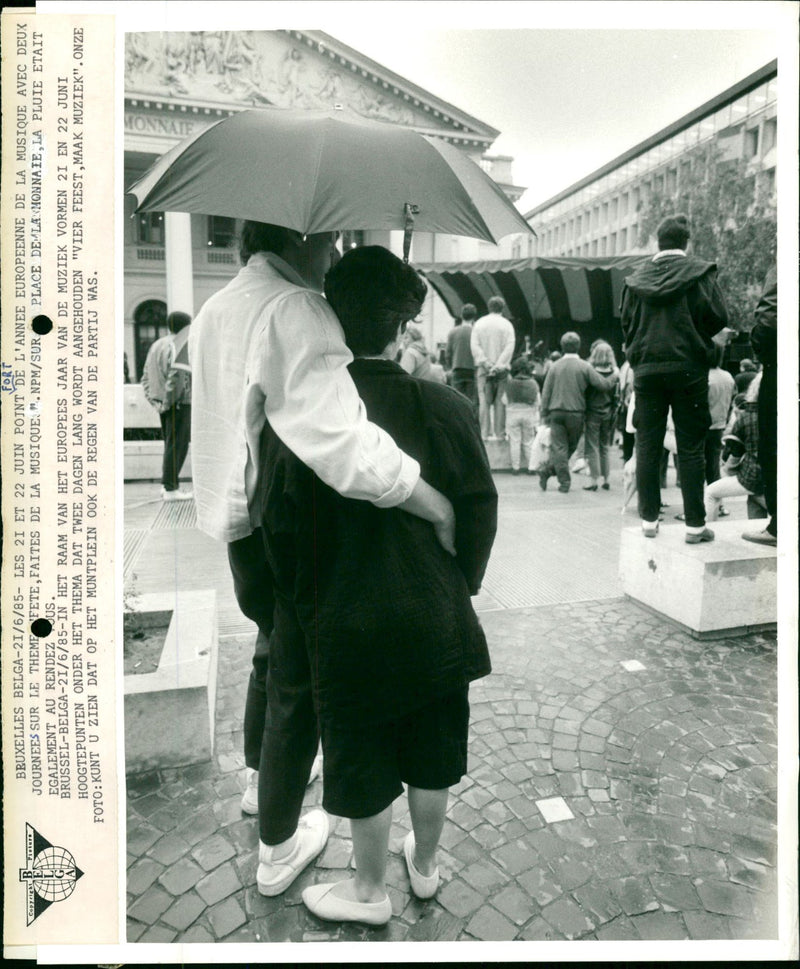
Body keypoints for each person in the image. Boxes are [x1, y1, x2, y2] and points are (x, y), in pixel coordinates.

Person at [188, 222, 456, 898]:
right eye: (330, 240)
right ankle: (277, 845)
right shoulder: (296, 308)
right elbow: (346, 446)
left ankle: (260, 784)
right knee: (297, 687)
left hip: (235, 520)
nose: (334, 254)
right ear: (300, 238)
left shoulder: (217, 305)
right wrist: (432, 503)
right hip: (280, 524)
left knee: (270, 653)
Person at [254, 246, 497, 925]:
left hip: (345, 617)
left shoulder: (299, 417)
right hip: (434, 610)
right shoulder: (445, 405)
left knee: (360, 752)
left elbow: (276, 524)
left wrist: (305, 603)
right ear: (403, 326)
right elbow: (478, 506)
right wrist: (461, 581)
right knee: (433, 746)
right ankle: (425, 866)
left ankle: (366, 890)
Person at [620, 214, 728, 542]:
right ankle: (695, 525)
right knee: (691, 446)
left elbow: (626, 323)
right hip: (688, 368)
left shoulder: (636, 279)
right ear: (686, 242)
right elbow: (718, 317)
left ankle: (649, 521)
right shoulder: (700, 273)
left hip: (647, 369)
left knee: (647, 444)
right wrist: (696, 336)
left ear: (658, 241)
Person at [538, 331, 617, 493]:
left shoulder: (554, 366)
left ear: (562, 346)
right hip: (576, 413)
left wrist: (543, 413)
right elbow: (603, 385)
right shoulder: (584, 366)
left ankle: (558, 477)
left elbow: (546, 392)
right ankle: (557, 476)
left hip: (556, 412)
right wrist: (614, 376)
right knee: (571, 447)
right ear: (579, 346)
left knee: (560, 447)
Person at [141, 310, 193, 501]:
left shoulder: (157, 345)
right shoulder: (181, 344)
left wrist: (156, 402)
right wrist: (169, 401)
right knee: (178, 445)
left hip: (163, 403)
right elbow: (177, 376)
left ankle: (168, 486)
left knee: (170, 444)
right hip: (179, 403)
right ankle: (171, 488)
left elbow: (146, 376)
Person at [704, 373, 763, 522]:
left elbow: (734, 452)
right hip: (774, 477)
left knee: (711, 492)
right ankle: (761, 528)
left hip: (754, 478)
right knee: (754, 499)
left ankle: (708, 529)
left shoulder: (747, 416)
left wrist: (727, 469)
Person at [471, 296, 516, 441]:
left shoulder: (479, 324)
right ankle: (500, 434)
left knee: (484, 401)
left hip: (484, 369)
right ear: (503, 308)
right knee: (500, 401)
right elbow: (510, 346)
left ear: (488, 307)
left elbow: (475, 346)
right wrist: (498, 365)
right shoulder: (507, 325)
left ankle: (484, 434)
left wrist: (486, 363)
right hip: (502, 370)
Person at [583, 340, 618, 491]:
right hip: (608, 412)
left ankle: (593, 480)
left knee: (592, 446)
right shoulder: (614, 373)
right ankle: (606, 478)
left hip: (592, 412)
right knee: (604, 446)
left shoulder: (590, 371)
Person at [705, 345, 736, 489]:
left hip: (702, 425)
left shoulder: (703, 376)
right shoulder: (728, 377)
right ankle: (716, 497)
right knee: (714, 465)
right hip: (719, 425)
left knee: (697, 463)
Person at [505, 356, 541, 474]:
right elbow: (538, 402)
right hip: (528, 414)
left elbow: (504, 400)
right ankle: (531, 467)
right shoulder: (533, 383)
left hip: (513, 413)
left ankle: (515, 468)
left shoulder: (510, 383)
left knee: (514, 441)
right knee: (528, 442)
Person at [445, 303, 478, 405]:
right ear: (474, 317)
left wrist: (450, 367)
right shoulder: (476, 332)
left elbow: (448, 353)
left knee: (457, 399)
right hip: (472, 369)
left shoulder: (453, 332)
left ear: (461, 315)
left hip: (457, 368)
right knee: (471, 400)